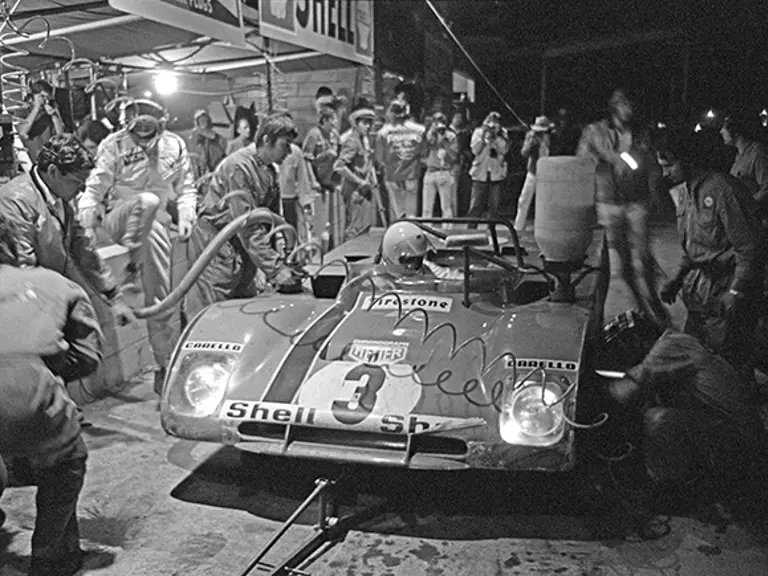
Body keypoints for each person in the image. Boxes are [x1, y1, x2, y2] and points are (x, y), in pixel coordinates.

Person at [0, 211, 103, 576]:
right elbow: (89, 358)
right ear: (12, 246)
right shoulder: (54, 284)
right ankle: (49, 555)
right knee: (66, 460)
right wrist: (49, 363)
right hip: (30, 406)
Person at [595, 317, 766, 534]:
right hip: (729, 434)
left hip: (741, 446)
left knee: (658, 420)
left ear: (637, 340)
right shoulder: (680, 343)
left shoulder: (670, 346)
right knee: (648, 409)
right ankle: (692, 483)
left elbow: (622, 393)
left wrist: (589, 390)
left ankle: (673, 494)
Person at [78, 100, 197, 394]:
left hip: (155, 225)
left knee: (161, 294)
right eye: (138, 132)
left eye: (149, 131)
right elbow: (94, 188)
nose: (144, 139)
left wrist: (186, 214)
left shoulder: (175, 145)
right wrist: (86, 224)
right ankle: (131, 265)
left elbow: (187, 187)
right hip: (120, 216)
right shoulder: (113, 145)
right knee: (147, 201)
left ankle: (165, 364)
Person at [655, 127, 763, 379]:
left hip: (726, 293)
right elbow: (695, 247)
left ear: (688, 160)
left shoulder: (724, 191)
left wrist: (736, 291)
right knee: (695, 361)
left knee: (728, 367)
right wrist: (677, 279)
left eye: (669, 165)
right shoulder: (684, 192)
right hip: (700, 295)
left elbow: (750, 248)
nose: (664, 173)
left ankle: (738, 413)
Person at [0, 134, 134, 327]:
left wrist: (114, 297)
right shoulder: (14, 202)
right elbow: (24, 269)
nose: (81, 190)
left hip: (50, 300)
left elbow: (84, 249)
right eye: (77, 182)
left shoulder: (60, 198)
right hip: (24, 310)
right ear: (53, 171)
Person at [185, 112, 304, 320]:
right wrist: (275, 269)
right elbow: (247, 224)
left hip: (242, 245)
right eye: (285, 145)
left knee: (242, 311)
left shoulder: (269, 171)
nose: (289, 151)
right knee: (213, 313)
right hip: (217, 246)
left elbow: (272, 223)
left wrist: (281, 262)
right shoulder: (237, 167)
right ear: (267, 140)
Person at [577, 89, 668, 327]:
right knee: (622, 258)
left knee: (644, 253)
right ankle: (639, 302)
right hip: (608, 202)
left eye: (631, 104)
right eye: (625, 104)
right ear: (614, 106)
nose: (629, 109)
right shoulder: (595, 131)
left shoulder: (641, 132)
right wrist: (605, 158)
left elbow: (650, 164)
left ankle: (652, 297)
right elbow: (581, 161)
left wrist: (655, 190)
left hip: (637, 201)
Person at [334, 100, 379, 240]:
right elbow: (339, 166)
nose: (368, 126)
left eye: (370, 123)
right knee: (354, 230)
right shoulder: (352, 141)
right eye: (364, 123)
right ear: (355, 123)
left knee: (364, 229)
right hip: (354, 191)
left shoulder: (363, 139)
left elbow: (367, 161)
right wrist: (360, 182)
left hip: (364, 191)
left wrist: (372, 178)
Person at [376, 100, 426, 221]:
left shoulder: (383, 132)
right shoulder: (420, 130)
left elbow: (379, 158)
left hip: (392, 174)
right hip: (412, 173)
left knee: (397, 212)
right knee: (411, 211)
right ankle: (411, 231)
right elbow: (424, 152)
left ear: (392, 113)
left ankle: (397, 233)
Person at [720, 109, 768, 214]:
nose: (721, 131)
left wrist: (747, 204)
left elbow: (766, 188)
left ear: (735, 132)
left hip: (758, 218)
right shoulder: (738, 155)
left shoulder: (757, 153)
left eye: (724, 127)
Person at [466, 111, 509, 227]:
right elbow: (475, 150)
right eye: (490, 123)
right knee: (475, 206)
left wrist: (496, 137)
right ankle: (470, 232)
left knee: (494, 207)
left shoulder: (503, 133)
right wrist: (484, 135)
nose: (492, 126)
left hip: (496, 173)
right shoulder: (478, 132)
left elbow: (504, 150)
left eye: (495, 123)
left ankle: (492, 233)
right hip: (480, 173)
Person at [380, 221, 461, 280]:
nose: (415, 265)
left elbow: (451, 275)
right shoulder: (376, 280)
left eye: (419, 259)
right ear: (393, 255)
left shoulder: (426, 268)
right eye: (410, 260)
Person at [515, 116, 553, 233]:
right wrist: (531, 143)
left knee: (545, 202)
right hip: (533, 172)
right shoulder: (531, 137)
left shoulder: (551, 138)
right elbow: (524, 153)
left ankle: (545, 226)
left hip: (547, 173)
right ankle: (518, 226)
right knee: (524, 200)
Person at [421, 112, 459, 223]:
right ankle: (426, 232)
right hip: (430, 172)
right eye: (436, 121)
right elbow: (423, 151)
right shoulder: (429, 134)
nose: (439, 125)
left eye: (441, 122)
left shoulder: (451, 136)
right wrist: (432, 134)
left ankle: (447, 233)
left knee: (446, 207)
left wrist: (444, 141)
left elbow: (454, 156)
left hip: (445, 172)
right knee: (427, 208)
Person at [19, 80, 66, 163]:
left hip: (47, 158)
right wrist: (36, 108)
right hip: (29, 157)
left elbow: (60, 135)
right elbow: (21, 131)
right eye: (41, 96)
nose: (44, 100)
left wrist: (53, 116)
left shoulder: (50, 110)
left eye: (46, 97)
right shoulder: (24, 110)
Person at [279, 141, 318, 239]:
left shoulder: (295, 152)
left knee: (293, 233)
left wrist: (306, 202)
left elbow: (302, 178)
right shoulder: (256, 151)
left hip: (289, 198)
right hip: (269, 200)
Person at [303, 106, 340, 194]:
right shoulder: (314, 134)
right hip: (315, 180)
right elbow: (306, 160)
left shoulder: (334, 134)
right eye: (333, 119)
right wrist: (313, 181)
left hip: (328, 180)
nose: (336, 122)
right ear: (324, 120)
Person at [191, 109, 228, 177]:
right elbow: (201, 156)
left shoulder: (217, 136)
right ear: (198, 122)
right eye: (202, 121)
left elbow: (224, 147)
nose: (204, 122)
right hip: (208, 169)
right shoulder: (198, 137)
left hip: (220, 164)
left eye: (206, 120)